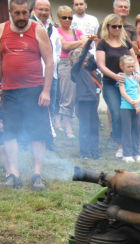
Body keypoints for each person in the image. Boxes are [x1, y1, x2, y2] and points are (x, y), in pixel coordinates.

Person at [0, 0, 53, 190]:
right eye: (17, 13)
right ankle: (13, 173)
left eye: (25, 13)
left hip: (35, 90)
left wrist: (46, 90)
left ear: (29, 11)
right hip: (10, 91)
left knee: (38, 132)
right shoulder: (1, 30)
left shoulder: (38, 30)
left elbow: (49, 61)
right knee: (10, 132)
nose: (22, 17)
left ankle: (37, 174)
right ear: (10, 12)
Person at [96, 13, 139, 157]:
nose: (117, 29)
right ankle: (120, 144)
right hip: (110, 84)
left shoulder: (126, 42)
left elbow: (135, 59)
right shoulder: (102, 44)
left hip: (128, 85)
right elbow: (101, 65)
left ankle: (134, 144)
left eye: (119, 26)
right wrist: (115, 76)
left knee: (133, 112)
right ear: (107, 27)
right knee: (116, 111)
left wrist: (137, 73)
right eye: (114, 26)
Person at [30, 0, 60, 139]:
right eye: (40, 9)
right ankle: (34, 136)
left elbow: (57, 49)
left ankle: (47, 135)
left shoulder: (52, 28)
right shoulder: (29, 26)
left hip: (51, 73)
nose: (43, 13)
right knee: (35, 106)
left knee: (50, 104)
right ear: (34, 9)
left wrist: (54, 64)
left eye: (46, 10)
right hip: (34, 74)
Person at [56, 5, 86, 138]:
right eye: (64, 17)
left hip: (79, 64)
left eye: (70, 17)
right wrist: (80, 42)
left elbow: (87, 43)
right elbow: (65, 46)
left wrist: (79, 42)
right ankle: (68, 127)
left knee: (79, 95)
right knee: (67, 96)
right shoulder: (57, 31)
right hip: (65, 63)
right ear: (59, 18)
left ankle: (76, 124)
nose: (67, 20)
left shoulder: (76, 31)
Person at [70, 35, 100, 159]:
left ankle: (95, 151)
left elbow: (93, 60)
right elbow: (82, 56)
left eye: (87, 61)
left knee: (94, 126)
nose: (85, 62)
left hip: (93, 101)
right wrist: (88, 42)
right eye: (83, 60)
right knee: (85, 127)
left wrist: (95, 42)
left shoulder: (89, 70)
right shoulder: (76, 71)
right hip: (83, 102)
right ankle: (84, 152)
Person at [119, 54, 140, 162]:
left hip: (137, 107)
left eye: (132, 66)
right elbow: (123, 93)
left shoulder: (135, 78)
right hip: (126, 107)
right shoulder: (121, 78)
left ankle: (136, 153)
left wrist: (138, 101)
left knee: (136, 130)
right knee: (127, 130)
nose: (131, 69)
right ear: (122, 67)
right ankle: (127, 154)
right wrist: (133, 103)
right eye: (128, 66)